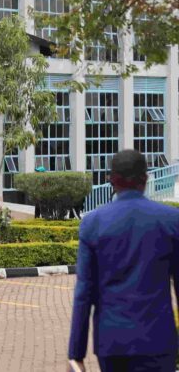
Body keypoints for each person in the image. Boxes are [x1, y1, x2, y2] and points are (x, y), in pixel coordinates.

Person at [68, 150, 179, 372]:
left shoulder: (93, 223)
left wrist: (76, 355)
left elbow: (84, 293)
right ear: (145, 179)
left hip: (112, 343)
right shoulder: (171, 220)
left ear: (112, 180)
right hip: (158, 340)